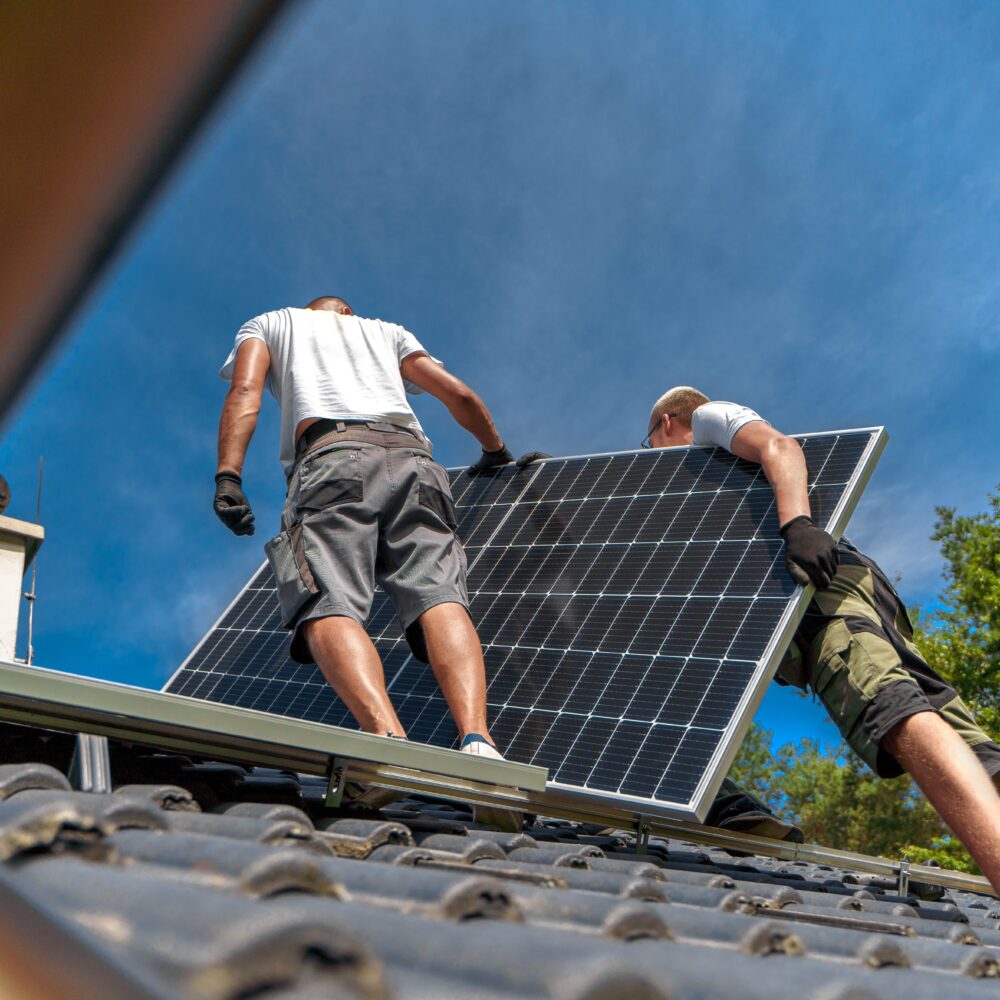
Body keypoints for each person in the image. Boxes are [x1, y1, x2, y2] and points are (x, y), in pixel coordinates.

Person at [643, 386, 1000, 889]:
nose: (648, 455)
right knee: (968, 744)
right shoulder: (703, 487)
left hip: (818, 591)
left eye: (648, 442)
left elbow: (780, 446)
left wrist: (798, 524)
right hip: (848, 591)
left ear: (665, 423)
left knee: (885, 705)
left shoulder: (704, 420)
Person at [212, 295, 516, 762]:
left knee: (326, 596)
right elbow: (457, 394)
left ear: (311, 310)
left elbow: (245, 390)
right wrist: (495, 452)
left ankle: (387, 739)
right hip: (415, 462)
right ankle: (478, 739)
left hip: (332, 458)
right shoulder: (388, 332)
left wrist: (228, 476)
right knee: (439, 593)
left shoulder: (270, 323)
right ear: (347, 312)